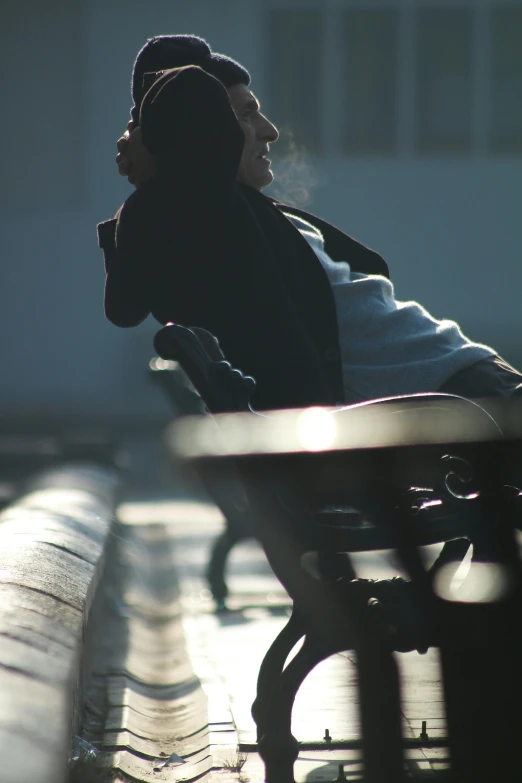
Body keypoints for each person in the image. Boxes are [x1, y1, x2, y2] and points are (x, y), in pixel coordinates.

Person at [98, 34, 522, 411]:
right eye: (246, 114)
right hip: (462, 408)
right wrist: (148, 135)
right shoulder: (209, 213)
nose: (270, 131)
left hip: (472, 389)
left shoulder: (238, 216)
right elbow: (188, 91)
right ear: (203, 130)